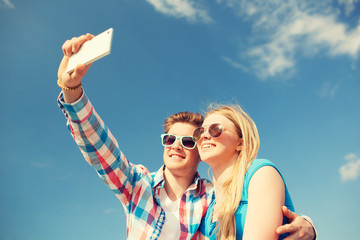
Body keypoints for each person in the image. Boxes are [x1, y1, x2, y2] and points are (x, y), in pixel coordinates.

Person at [57, 33, 317, 239]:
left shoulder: (213, 199)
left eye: (188, 141)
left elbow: (252, 206)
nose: (176, 146)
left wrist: (307, 224)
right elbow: (98, 145)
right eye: (170, 139)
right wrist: (72, 88)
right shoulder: (137, 185)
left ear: (200, 151)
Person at [195, 104, 316, 240]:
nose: (203, 136)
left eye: (215, 129)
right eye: (199, 132)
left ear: (240, 143)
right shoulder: (209, 211)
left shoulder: (260, 173)